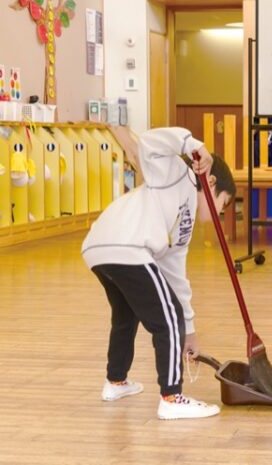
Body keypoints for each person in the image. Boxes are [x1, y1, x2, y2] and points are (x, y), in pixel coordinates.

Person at [81, 127, 236, 420]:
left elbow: (175, 274)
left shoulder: (183, 229)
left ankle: (116, 382)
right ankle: (171, 397)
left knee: (126, 316)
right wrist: (193, 144)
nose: (222, 212)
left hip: (102, 248)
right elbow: (150, 143)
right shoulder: (177, 174)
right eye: (224, 202)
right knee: (168, 319)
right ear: (211, 181)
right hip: (126, 246)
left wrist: (189, 331)